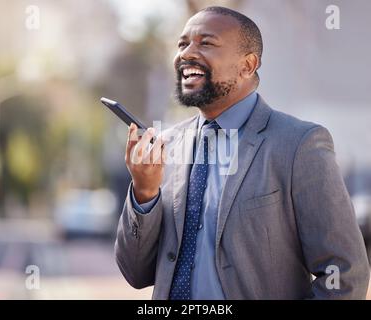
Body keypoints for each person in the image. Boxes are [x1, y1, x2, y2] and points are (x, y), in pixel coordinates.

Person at [114, 6, 370, 299]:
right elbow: (136, 273)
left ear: (248, 65)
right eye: (183, 43)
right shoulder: (166, 147)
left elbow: (345, 273)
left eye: (206, 43)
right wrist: (144, 193)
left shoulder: (299, 145)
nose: (186, 53)